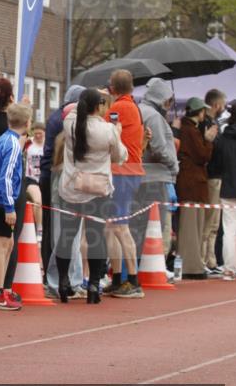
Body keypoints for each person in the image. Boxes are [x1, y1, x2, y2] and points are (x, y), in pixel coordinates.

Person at [58, 88, 128, 304]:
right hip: (97, 191)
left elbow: (69, 111)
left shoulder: (70, 124)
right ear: (99, 106)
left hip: (71, 187)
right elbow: (120, 157)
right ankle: (94, 284)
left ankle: (62, 281)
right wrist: (118, 133)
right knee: (96, 235)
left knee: (67, 235)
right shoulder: (107, 130)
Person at [103, 70, 148, 299]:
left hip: (123, 171)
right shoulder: (132, 106)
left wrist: (104, 104)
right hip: (127, 171)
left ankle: (132, 280)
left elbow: (103, 131)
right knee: (112, 227)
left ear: (112, 88)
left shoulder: (119, 108)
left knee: (120, 226)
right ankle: (119, 278)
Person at [0, 104, 31, 310]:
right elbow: (7, 176)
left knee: (7, 244)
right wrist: (9, 207)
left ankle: (0, 291)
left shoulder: (3, 139)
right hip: (1, 200)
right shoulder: (12, 144)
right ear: (27, 123)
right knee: (1, 246)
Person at [38, 85, 84, 278]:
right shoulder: (69, 119)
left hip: (49, 174)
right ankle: (59, 276)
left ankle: (56, 276)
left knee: (53, 229)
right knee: (64, 231)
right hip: (61, 176)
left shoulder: (55, 116)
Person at [137, 78, 179, 260]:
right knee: (155, 225)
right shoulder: (154, 116)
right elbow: (160, 148)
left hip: (139, 175)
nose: (169, 106)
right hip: (155, 176)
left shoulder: (139, 111)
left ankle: (135, 268)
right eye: (169, 101)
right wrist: (173, 163)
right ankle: (149, 266)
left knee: (137, 224)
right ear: (162, 98)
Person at [176, 97, 218, 279]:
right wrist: (208, 140)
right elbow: (202, 156)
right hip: (193, 183)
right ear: (199, 112)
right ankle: (191, 266)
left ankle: (191, 264)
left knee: (192, 226)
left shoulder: (188, 130)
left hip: (190, 183)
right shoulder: (191, 132)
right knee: (192, 227)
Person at [205, 101, 236, 281]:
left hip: (227, 186)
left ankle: (229, 268)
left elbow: (216, 164)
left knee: (228, 229)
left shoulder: (222, 138)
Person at [202, 89, 228, 274]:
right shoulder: (206, 123)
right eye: (223, 104)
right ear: (217, 105)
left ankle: (211, 261)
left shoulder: (215, 123)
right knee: (209, 221)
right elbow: (208, 150)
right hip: (211, 176)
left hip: (218, 176)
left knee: (215, 224)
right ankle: (203, 258)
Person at [25, 122, 45, 234]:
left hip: (44, 178)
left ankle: (44, 227)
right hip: (31, 179)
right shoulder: (29, 143)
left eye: (40, 134)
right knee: (38, 200)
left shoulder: (48, 144)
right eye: (36, 133)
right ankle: (39, 229)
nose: (38, 136)